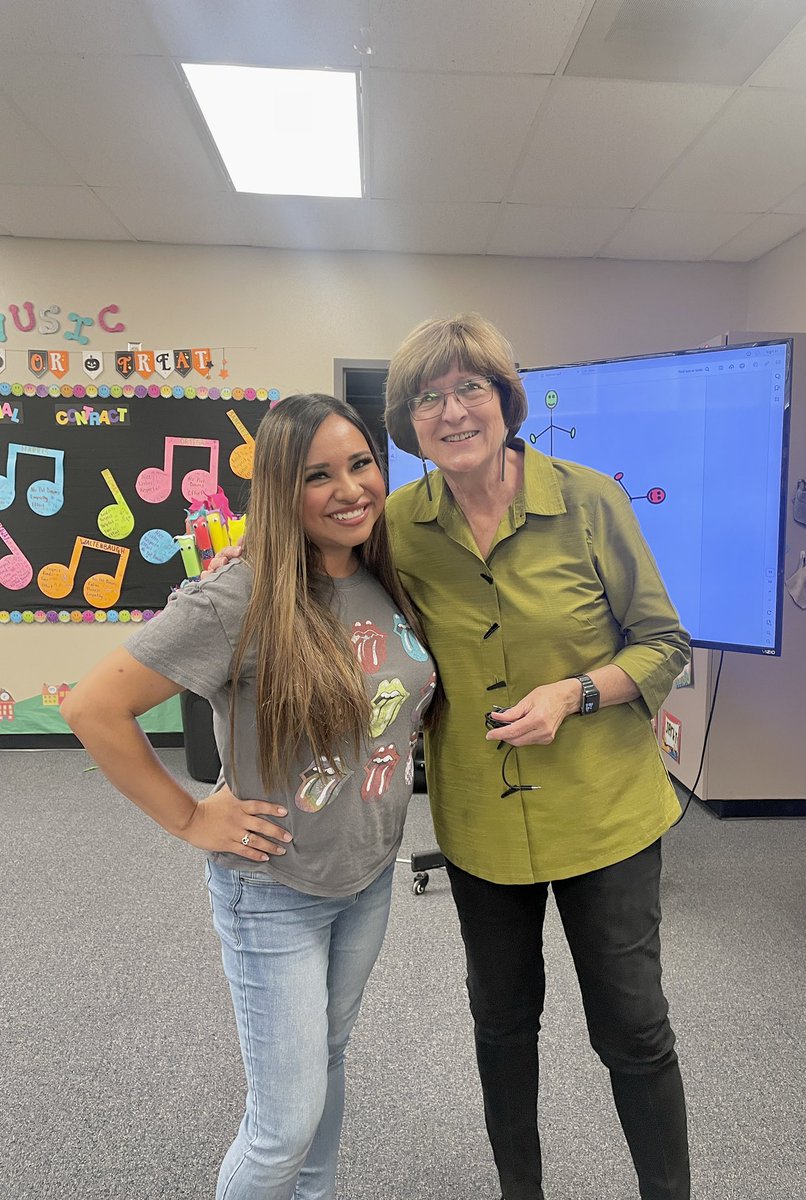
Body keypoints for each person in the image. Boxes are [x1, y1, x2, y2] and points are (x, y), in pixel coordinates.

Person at [61, 394, 436, 1200]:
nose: (350, 489)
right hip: (274, 889)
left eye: (361, 464)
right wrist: (193, 816)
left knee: (330, 1057)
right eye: (318, 476)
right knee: (280, 1129)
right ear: (278, 490)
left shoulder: (382, 571)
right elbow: (92, 707)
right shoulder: (240, 594)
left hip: (366, 875)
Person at [382, 314, 692, 1200]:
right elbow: (348, 620)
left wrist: (575, 692)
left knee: (632, 1029)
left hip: (607, 813)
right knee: (504, 1024)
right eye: (427, 397)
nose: (451, 412)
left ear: (505, 398)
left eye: (469, 388)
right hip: (481, 820)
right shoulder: (400, 525)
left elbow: (663, 643)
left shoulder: (590, 499)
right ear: (410, 420)